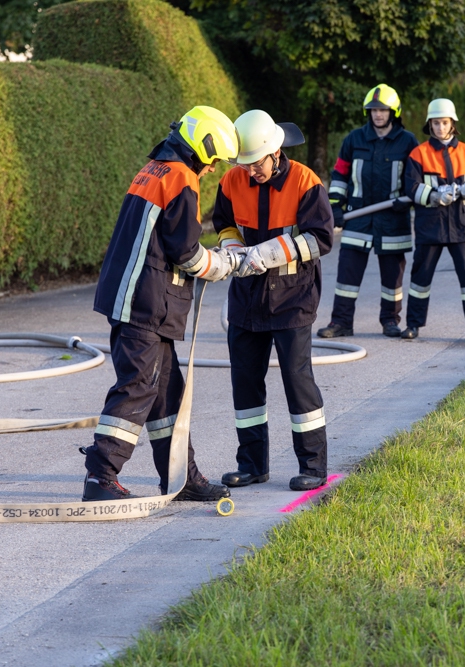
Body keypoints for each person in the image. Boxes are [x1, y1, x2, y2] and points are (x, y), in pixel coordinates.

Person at [82, 106, 237, 502]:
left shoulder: (156, 169)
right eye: (214, 160)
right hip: (146, 304)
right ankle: (101, 476)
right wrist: (221, 265)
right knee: (138, 387)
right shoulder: (182, 178)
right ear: (202, 147)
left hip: (139, 300)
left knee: (167, 394)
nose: (213, 169)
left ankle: (180, 477)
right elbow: (185, 252)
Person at [213, 109, 336, 492]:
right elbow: (224, 223)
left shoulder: (304, 181)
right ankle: (251, 465)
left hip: (292, 298)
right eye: (244, 164)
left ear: (275, 152)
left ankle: (313, 467)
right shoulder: (232, 180)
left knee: (297, 382)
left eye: (257, 164)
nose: (251, 172)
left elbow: (321, 239)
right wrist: (233, 248)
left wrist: (269, 253)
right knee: (245, 383)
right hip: (247, 299)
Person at [317, 84, 419, 339]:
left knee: (392, 278)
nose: (378, 114)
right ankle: (341, 322)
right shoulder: (354, 140)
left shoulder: (408, 142)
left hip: (393, 217)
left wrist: (407, 200)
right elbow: (339, 175)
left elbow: (415, 178)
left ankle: (390, 321)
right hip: (358, 217)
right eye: (373, 110)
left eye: (383, 110)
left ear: (393, 112)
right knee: (347, 275)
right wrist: (335, 206)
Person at [401, 98, 465, 344]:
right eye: (436, 123)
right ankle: (413, 325)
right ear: (429, 125)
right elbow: (411, 188)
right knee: (420, 278)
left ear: (452, 124)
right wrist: (434, 196)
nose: (440, 127)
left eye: (444, 122)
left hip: (461, 225)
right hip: (430, 225)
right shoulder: (419, 154)